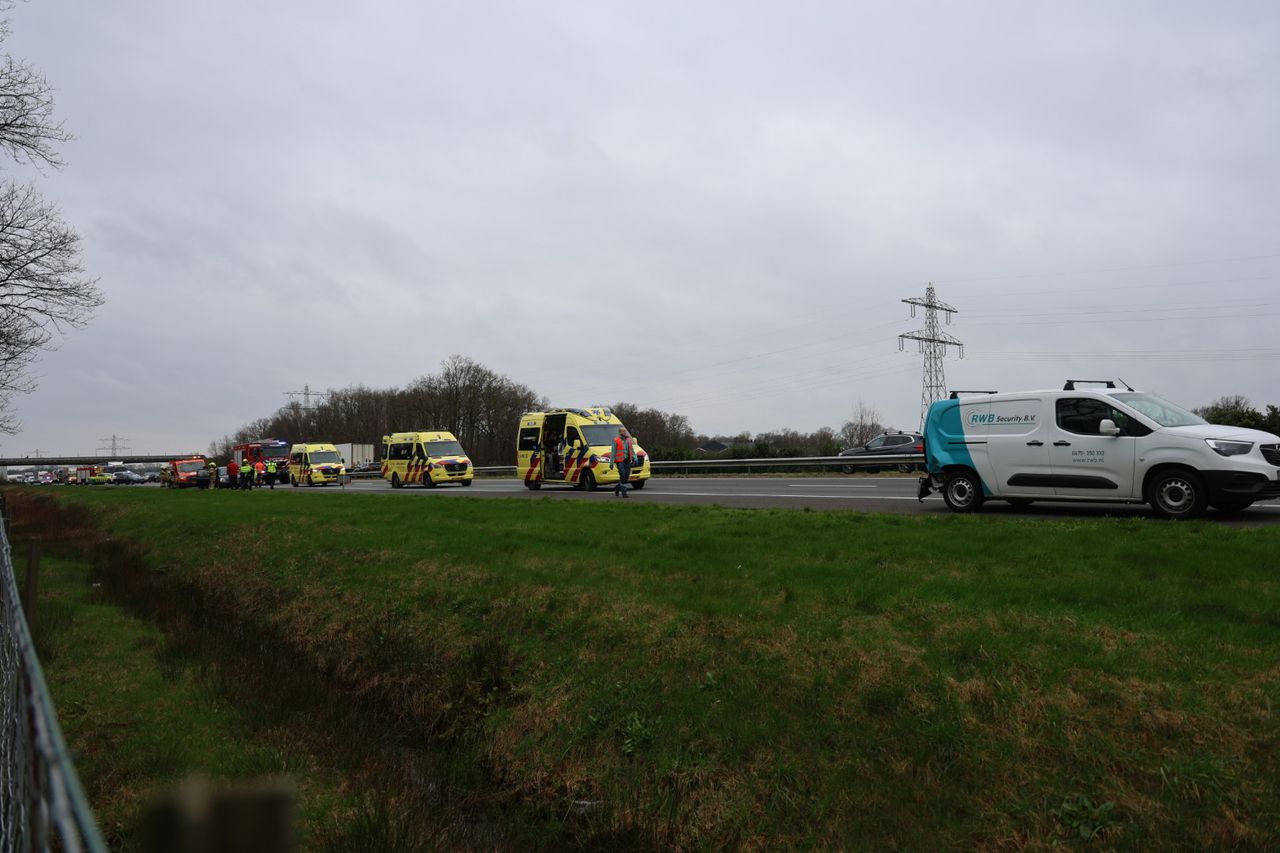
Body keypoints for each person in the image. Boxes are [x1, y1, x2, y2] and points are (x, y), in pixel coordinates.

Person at [611, 427, 635, 498]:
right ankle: (624, 492)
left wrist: (635, 457)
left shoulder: (628, 440)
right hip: (619, 461)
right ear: (620, 432)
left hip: (627, 461)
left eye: (625, 431)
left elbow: (632, 450)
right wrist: (611, 463)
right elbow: (613, 452)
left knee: (626, 477)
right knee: (623, 475)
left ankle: (617, 488)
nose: (625, 432)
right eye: (623, 431)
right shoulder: (615, 440)